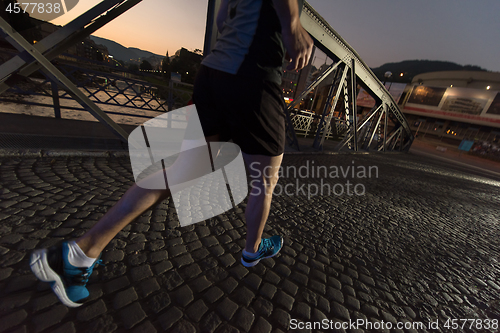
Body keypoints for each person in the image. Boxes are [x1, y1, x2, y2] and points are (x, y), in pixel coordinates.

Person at [30, 0, 313, 308]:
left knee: (180, 171)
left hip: (213, 74)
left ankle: (80, 253)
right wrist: (292, 24)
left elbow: (221, 21)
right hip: (253, 78)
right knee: (263, 182)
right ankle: (252, 250)